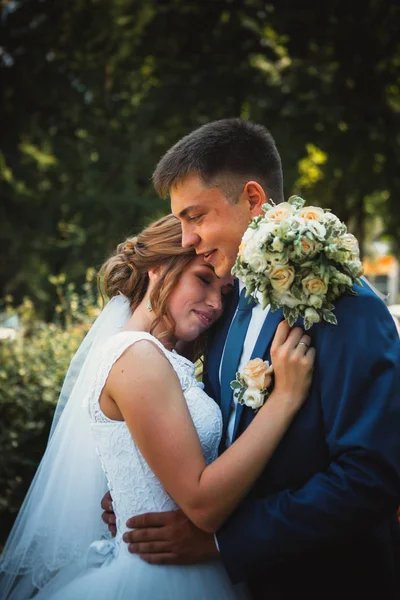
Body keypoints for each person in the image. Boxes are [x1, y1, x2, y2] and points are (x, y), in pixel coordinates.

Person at [113, 119, 400, 600]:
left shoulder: (345, 303)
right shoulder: (229, 306)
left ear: (251, 198)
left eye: (196, 216)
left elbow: (372, 476)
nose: (186, 239)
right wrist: (149, 493)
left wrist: (225, 541)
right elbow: (225, 434)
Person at [0, 214, 315, 600]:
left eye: (226, 290)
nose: (216, 303)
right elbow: (202, 504)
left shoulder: (159, 358)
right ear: (158, 268)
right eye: (203, 279)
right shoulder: (136, 356)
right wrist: (284, 400)